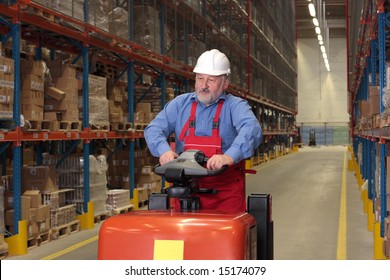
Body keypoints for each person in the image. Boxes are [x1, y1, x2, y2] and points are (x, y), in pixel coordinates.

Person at [144, 49, 262, 212]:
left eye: (211, 80)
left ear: (225, 83)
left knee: (228, 236)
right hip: (185, 191)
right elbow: (153, 129)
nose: (204, 85)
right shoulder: (180, 104)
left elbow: (252, 130)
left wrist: (229, 155)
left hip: (225, 194)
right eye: (200, 78)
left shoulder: (235, 106)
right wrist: (163, 151)